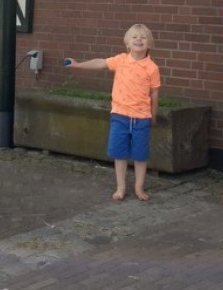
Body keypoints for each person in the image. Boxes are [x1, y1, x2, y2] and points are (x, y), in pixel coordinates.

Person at [64, 23, 161, 201]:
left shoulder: (152, 68)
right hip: (120, 116)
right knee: (119, 153)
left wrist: (153, 115)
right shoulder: (121, 60)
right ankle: (120, 187)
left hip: (141, 118)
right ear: (127, 43)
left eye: (143, 37)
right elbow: (100, 63)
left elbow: (154, 93)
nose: (139, 40)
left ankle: (139, 187)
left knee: (140, 155)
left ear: (150, 43)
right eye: (134, 37)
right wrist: (78, 65)